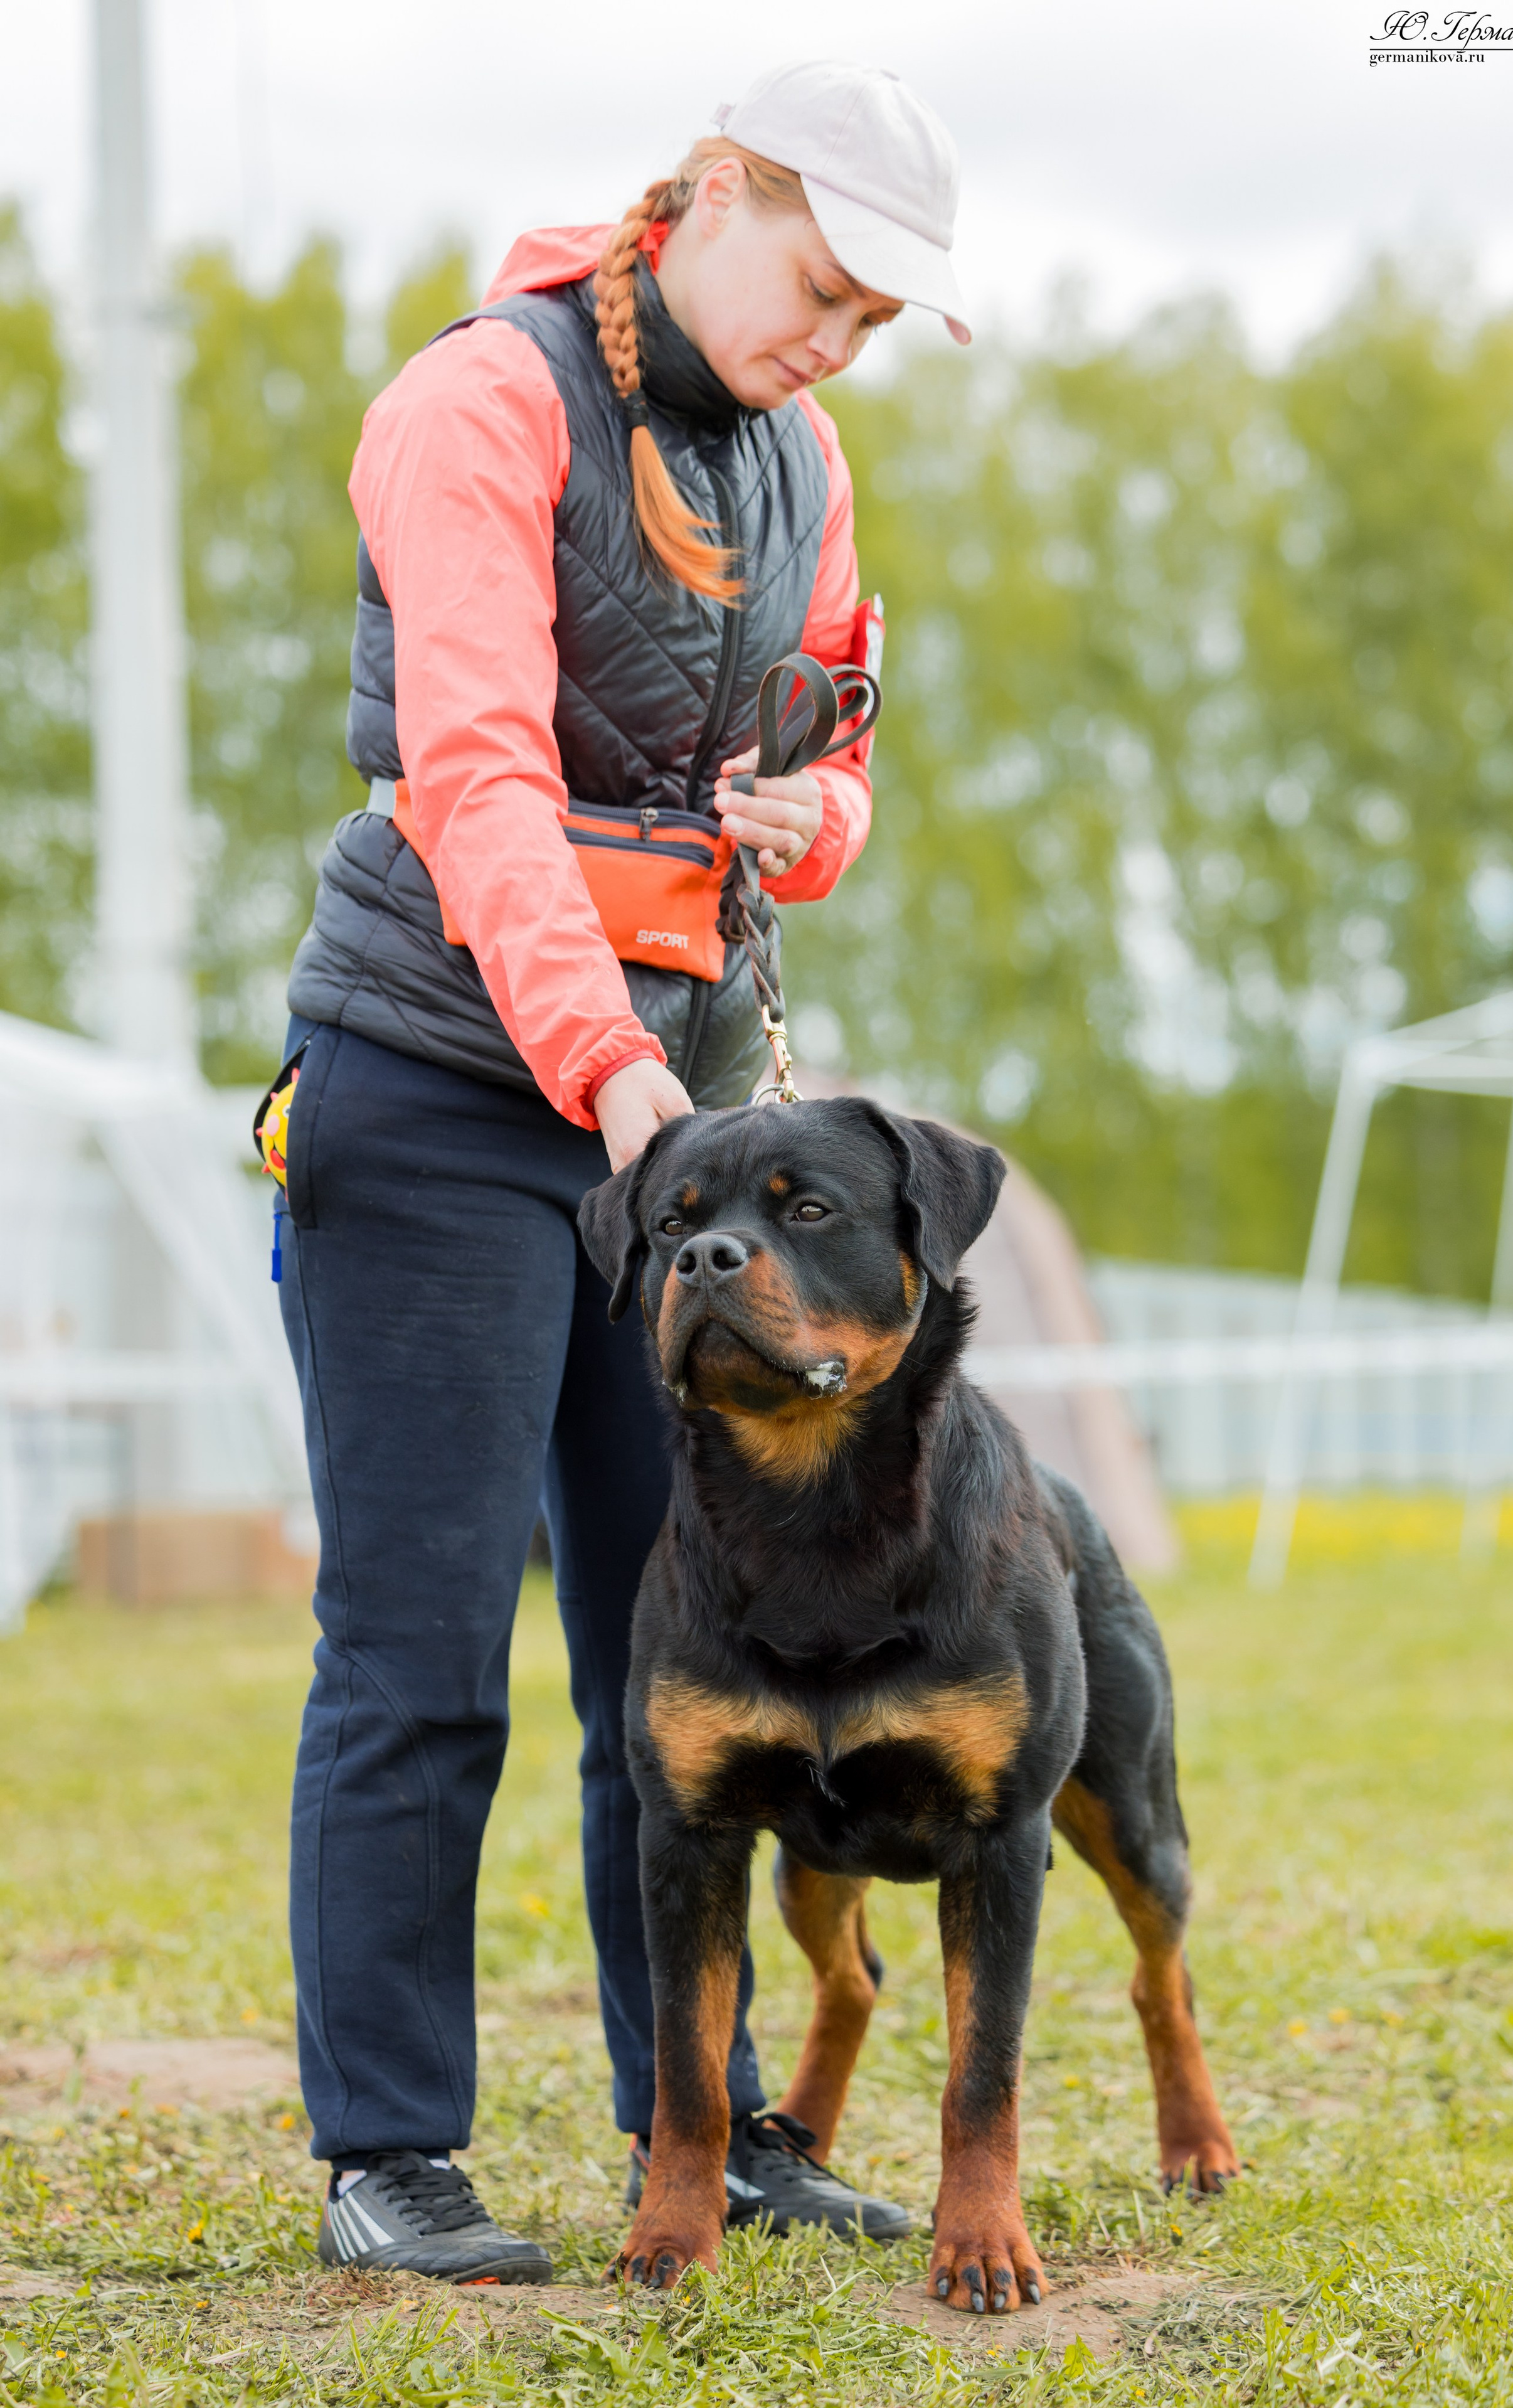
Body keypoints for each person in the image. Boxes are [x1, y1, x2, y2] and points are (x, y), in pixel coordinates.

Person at [270, 58, 972, 2283]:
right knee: (422, 1651)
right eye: (825, 286)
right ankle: (391, 2153)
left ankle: (710, 2127)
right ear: (713, 195)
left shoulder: (806, 462)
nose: (836, 341)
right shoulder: (478, 406)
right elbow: (476, 775)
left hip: (672, 1131)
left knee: (674, 1664)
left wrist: (814, 827)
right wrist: (619, 1090)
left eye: (875, 321)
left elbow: (837, 741)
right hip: (459, 1094)